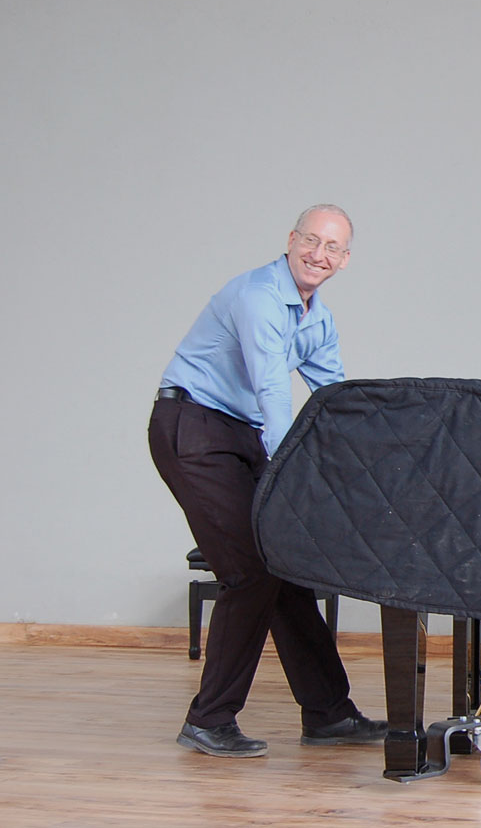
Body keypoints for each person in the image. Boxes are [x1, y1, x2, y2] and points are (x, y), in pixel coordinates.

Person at [148, 205, 386, 758]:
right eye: (310, 240)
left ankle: (328, 714)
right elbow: (273, 394)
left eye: (332, 248)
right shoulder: (258, 297)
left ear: (345, 260)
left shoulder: (317, 318)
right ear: (290, 239)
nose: (318, 255)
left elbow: (335, 401)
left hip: (239, 434)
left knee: (288, 564)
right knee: (252, 572)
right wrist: (292, 474)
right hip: (193, 427)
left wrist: (369, 469)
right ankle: (208, 719)